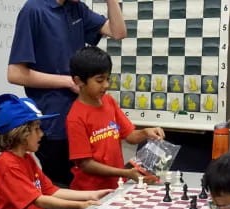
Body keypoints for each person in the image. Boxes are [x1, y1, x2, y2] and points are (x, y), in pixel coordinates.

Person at [7, 0, 127, 187]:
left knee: (90, 187)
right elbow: (15, 74)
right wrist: (67, 81)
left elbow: (118, 32)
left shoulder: (76, 8)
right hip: (55, 124)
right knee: (65, 194)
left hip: (84, 116)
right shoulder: (34, 10)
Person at [0, 93, 112, 209]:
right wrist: (79, 205)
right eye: (37, 129)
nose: (41, 134)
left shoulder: (26, 158)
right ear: (21, 133)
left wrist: (92, 195)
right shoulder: (7, 164)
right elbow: (39, 201)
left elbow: (51, 190)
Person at [66, 46, 166, 191]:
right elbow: (86, 164)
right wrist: (126, 173)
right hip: (91, 191)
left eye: (108, 79)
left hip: (116, 185)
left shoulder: (108, 101)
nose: (106, 85)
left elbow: (129, 135)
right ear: (78, 81)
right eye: (99, 81)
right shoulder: (76, 117)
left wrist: (146, 132)